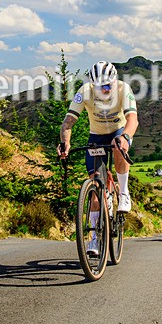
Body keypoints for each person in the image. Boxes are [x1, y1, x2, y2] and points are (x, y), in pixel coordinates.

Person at [58, 60, 138, 255]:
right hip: (96, 136)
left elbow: (132, 119)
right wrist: (65, 143)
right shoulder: (84, 92)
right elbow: (68, 122)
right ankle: (95, 238)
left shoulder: (123, 89)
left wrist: (126, 137)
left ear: (114, 80)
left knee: (117, 144)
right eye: (100, 86)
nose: (104, 89)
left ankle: (124, 192)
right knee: (95, 189)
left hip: (119, 131)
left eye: (108, 85)